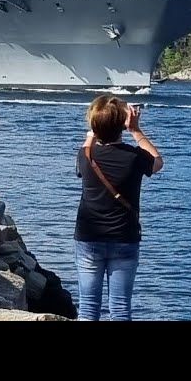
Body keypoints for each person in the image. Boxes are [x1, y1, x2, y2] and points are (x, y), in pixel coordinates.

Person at [75, 95, 163, 321]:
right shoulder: (134, 157)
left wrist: (94, 131)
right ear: (121, 126)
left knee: (87, 309)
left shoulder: (85, 156)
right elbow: (158, 161)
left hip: (89, 237)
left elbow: (87, 147)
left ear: (94, 125)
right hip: (125, 237)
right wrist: (136, 130)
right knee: (121, 309)